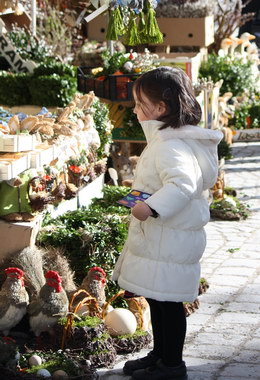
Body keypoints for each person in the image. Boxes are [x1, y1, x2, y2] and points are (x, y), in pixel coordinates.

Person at [112, 66, 223, 380]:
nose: (134, 109)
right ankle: (159, 355)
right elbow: (155, 182)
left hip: (168, 241)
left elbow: (181, 185)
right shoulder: (165, 140)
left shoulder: (170, 145)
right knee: (157, 300)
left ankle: (173, 365)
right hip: (162, 240)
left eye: (138, 103)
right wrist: (133, 200)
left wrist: (149, 208)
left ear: (160, 108)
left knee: (169, 305)